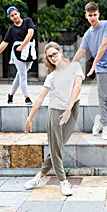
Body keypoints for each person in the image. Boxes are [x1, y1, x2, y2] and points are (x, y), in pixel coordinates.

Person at [24, 42, 84, 196]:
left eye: (54, 54)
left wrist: (69, 109)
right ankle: (63, 182)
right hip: (55, 112)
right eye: (49, 56)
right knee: (56, 148)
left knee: (57, 146)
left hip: (72, 109)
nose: (52, 58)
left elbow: (77, 88)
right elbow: (40, 98)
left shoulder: (75, 67)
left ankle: (39, 177)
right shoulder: (51, 77)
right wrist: (29, 118)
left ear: (60, 52)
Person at [73, 2, 107, 140]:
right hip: (102, 70)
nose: (93, 18)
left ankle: (100, 119)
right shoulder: (88, 34)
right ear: (86, 16)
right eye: (90, 15)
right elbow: (81, 51)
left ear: (98, 14)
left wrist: (94, 63)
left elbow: (104, 45)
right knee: (103, 98)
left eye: (95, 15)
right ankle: (106, 128)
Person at [0, 6, 36, 105]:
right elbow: (4, 43)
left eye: (15, 14)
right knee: (23, 74)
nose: (15, 16)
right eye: (12, 16)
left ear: (19, 13)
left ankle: (11, 94)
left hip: (28, 50)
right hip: (17, 52)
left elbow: (30, 33)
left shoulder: (28, 21)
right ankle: (27, 97)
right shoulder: (11, 29)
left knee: (20, 75)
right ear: (10, 18)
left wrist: (22, 46)